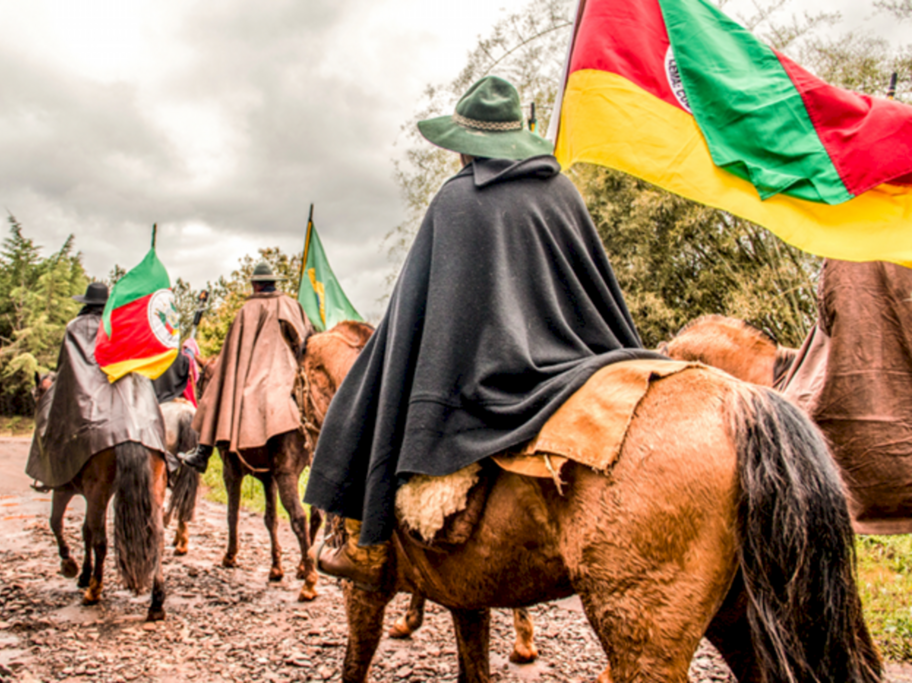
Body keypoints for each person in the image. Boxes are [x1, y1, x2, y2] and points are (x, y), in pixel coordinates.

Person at [303, 75, 663, 588]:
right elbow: (594, 294)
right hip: (582, 365)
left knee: (369, 381)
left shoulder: (456, 200)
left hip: (488, 380)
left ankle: (368, 544)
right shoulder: (563, 190)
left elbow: (414, 317)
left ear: (466, 149)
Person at [26, 281, 166, 489]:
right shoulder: (121, 326)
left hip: (86, 397)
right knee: (152, 416)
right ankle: (167, 462)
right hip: (121, 394)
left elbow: (67, 368)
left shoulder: (74, 327)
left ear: (86, 303)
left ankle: (49, 473)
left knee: (50, 419)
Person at [181, 262, 315, 473]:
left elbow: (231, 355)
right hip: (291, 379)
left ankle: (203, 451)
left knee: (216, 388)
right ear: (273, 283)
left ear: (255, 285)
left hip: (256, 381)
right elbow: (308, 340)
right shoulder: (293, 305)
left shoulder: (248, 310)